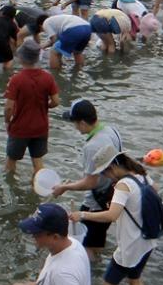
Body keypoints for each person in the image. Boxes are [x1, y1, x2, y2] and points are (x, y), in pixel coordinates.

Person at [69, 148, 158, 285]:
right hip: (147, 239)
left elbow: (111, 215)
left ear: (112, 167)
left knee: (109, 284)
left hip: (131, 245)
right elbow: (155, 190)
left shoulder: (123, 185)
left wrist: (82, 214)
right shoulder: (141, 174)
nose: (105, 177)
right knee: (134, 279)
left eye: (104, 172)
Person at [52, 100, 123, 261]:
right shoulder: (111, 130)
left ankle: (92, 272)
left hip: (97, 202)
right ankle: (98, 259)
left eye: (75, 124)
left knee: (86, 246)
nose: (75, 128)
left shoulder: (92, 146)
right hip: (113, 195)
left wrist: (65, 187)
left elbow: (91, 183)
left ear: (83, 123)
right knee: (98, 238)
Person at [4, 39, 60, 174]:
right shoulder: (48, 78)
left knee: (11, 162)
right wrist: (45, 106)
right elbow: (56, 101)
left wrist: (7, 121)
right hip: (41, 127)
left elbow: (9, 107)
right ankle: (37, 188)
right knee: (38, 163)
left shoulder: (16, 80)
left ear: (21, 57)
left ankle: (11, 189)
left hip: (20, 128)